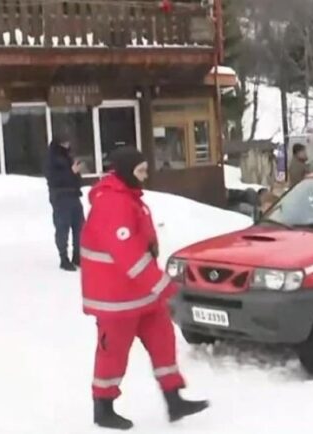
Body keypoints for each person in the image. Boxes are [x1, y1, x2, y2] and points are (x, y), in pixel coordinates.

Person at [80, 146, 208, 430]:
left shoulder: (130, 197)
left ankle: (174, 399)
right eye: (140, 170)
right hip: (116, 298)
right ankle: (103, 408)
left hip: (141, 294)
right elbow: (129, 256)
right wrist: (164, 286)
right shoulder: (113, 203)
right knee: (113, 354)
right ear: (126, 171)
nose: (145, 175)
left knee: (164, 343)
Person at [43, 137, 84, 272]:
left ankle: (77, 255)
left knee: (80, 227)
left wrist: (76, 174)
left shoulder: (68, 157)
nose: (67, 145)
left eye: (68, 142)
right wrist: (71, 172)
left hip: (74, 195)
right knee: (63, 228)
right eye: (64, 143)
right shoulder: (52, 159)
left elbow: (75, 178)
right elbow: (54, 179)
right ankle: (63, 258)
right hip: (60, 197)